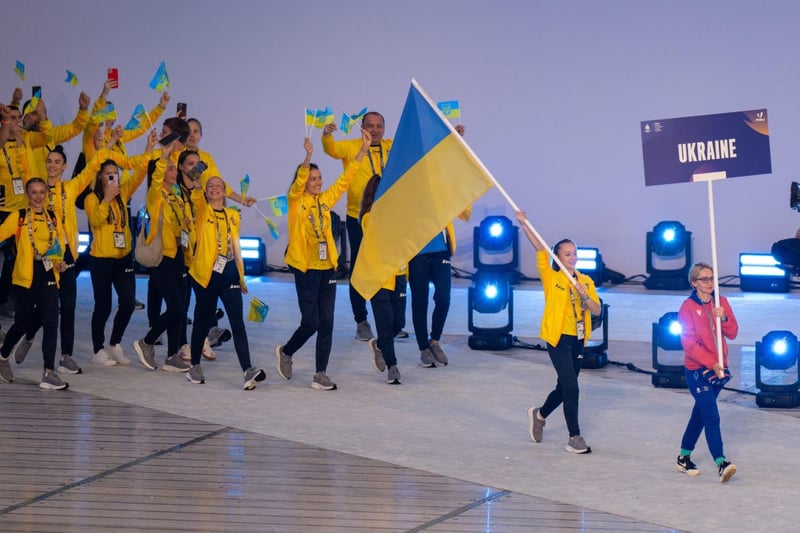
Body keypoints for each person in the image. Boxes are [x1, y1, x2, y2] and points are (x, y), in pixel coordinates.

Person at [12, 145, 120, 373]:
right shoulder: (38, 189)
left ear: (64, 166)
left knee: (68, 305)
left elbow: (90, 169)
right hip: (43, 255)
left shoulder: (70, 187)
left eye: (57, 162)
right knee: (46, 306)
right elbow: (24, 165)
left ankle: (66, 356)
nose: (52, 165)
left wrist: (107, 146)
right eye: (49, 161)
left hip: (67, 254)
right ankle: (29, 336)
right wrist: (20, 142)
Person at [276, 131, 370, 390]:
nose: (317, 182)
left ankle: (320, 373)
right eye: (312, 178)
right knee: (311, 322)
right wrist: (308, 157)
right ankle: (286, 351)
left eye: (318, 178)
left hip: (327, 268)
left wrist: (363, 150)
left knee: (326, 323)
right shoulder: (296, 202)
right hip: (305, 270)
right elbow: (297, 185)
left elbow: (345, 179)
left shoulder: (324, 201)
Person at [516, 211, 601, 454]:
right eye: (567, 254)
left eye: (575, 253)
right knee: (572, 387)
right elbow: (539, 248)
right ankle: (574, 437)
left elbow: (596, 309)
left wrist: (584, 296)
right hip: (558, 339)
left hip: (578, 340)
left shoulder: (585, 281)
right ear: (558, 257)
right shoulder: (551, 276)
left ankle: (540, 415)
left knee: (564, 387)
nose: (573, 257)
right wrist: (524, 224)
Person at [185, 176, 266, 390]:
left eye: (218, 186)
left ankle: (248, 370)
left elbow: (234, 245)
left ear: (224, 191)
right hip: (206, 276)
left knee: (238, 323)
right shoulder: (202, 212)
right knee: (202, 321)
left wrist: (240, 276)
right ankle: (194, 365)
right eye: (210, 186)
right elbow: (196, 197)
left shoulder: (232, 215)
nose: (214, 188)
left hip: (229, 274)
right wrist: (197, 185)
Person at [322, 112, 393, 341]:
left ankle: (390, 321)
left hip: (385, 218)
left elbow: (417, 148)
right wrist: (326, 135)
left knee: (387, 268)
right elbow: (331, 150)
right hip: (357, 217)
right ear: (362, 127)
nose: (375, 130)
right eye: (370, 125)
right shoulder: (353, 146)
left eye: (379, 126)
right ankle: (361, 320)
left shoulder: (391, 147)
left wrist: (452, 135)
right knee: (359, 268)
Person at [84, 132, 152, 367]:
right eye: (109, 173)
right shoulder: (92, 198)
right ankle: (97, 349)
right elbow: (95, 221)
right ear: (100, 176)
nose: (114, 176)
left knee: (127, 303)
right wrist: (106, 200)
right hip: (101, 260)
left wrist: (148, 148)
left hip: (123, 259)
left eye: (116, 172)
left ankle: (114, 343)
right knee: (102, 306)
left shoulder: (123, 193)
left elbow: (140, 172)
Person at [408, 124, 469, 367]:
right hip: (416, 251)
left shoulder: (442, 182)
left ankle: (434, 340)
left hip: (440, 249)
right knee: (420, 302)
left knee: (443, 298)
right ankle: (423, 347)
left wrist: (454, 141)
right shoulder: (409, 182)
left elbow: (463, 208)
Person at [0, 178, 68, 389]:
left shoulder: (53, 218)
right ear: (27, 195)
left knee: (51, 321)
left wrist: (59, 263)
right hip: (25, 278)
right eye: (34, 192)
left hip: (48, 275)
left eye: (41, 192)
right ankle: (3, 357)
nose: (38, 196)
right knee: (22, 323)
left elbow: (59, 245)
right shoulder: (19, 216)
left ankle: (48, 373)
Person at [675, 262, 738, 482]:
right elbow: (689, 345)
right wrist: (711, 363)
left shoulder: (722, 302)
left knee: (700, 414)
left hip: (719, 369)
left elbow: (733, 333)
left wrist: (724, 318)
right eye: (704, 279)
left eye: (712, 278)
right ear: (694, 283)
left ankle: (683, 456)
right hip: (697, 370)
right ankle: (721, 462)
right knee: (711, 415)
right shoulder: (687, 308)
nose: (709, 283)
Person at [132, 140, 191, 373]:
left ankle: (172, 356)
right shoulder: (155, 196)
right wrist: (163, 157)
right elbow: (156, 179)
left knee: (181, 310)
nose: (175, 171)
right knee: (175, 308)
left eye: (175, 168)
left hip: (178, 257)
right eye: (170, 168)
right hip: (161, 258)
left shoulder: (176, 196)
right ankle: (146, 342)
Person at [360, 174, 403, 384]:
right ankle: (392, 366)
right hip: (379, 278)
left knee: (399, 323)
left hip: (399, 275)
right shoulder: (369, 218)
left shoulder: (397, 215)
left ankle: (379, 346)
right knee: (385, 324)